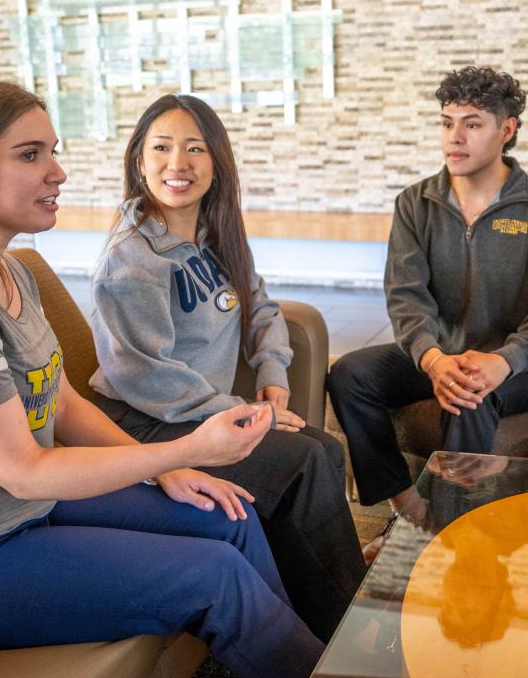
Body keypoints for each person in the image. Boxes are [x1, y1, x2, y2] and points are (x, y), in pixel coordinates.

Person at [0, 77, 388, 678]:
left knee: (226, 516)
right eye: (30, 155)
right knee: (216, 573)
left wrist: (176, 468)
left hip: (19, 516)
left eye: (52, 151)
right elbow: (27, 471)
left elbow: (61, 403)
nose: (58, 171)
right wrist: (187, 447)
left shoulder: (9, 272)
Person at [87, 94, 364, 641]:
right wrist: (240, 410)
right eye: (161, 148)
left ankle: (326, 601)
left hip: (197, 409)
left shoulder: (215, 234)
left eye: (195, 149)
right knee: (305, 460)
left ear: (217, 162)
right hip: (143, 420)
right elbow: (143, 374)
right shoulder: (131, 260)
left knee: (324, 448)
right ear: (138, 163)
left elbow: (261, 307)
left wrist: (272, 374)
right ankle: (346, 636)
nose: (177, 164)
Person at [327, 66, 528, 561]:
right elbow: (405, 297)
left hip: (515, 366)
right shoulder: (415, 203)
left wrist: (504, 360)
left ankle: (448, 537)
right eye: (447, 123)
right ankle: (406, 508)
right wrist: (432, 359)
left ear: (506, 130)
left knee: (470, 393)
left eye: (472, 123)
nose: (454, 137)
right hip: (438, 354)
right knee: (350, 375)